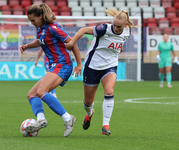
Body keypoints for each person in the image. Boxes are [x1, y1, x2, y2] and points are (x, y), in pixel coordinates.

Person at [66, 8, 138, 136]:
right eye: (114, 25)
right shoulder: (104, 29)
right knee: (88, 102)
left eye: (119, 26)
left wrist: (118, 49)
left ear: (125, 25)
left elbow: (120, 41)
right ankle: (89, 113)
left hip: (110, 66)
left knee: (109, 91)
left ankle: (105, 125)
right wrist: (72, 42)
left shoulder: (128, 31)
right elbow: (82, 30)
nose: (115, 28)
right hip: (92, 66)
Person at [19, 3, 82, 137]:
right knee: (31, 94)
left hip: (63, 64)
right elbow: (40, 41)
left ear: (41, 16)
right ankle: (41, 120)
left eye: (33, 20)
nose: (31, 23)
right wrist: (27, 46)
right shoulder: (41, 29)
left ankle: (67, 118)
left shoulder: (53, 28)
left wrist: (79, 64)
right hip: (55, 65)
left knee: (42, 91)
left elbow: (72, 42)